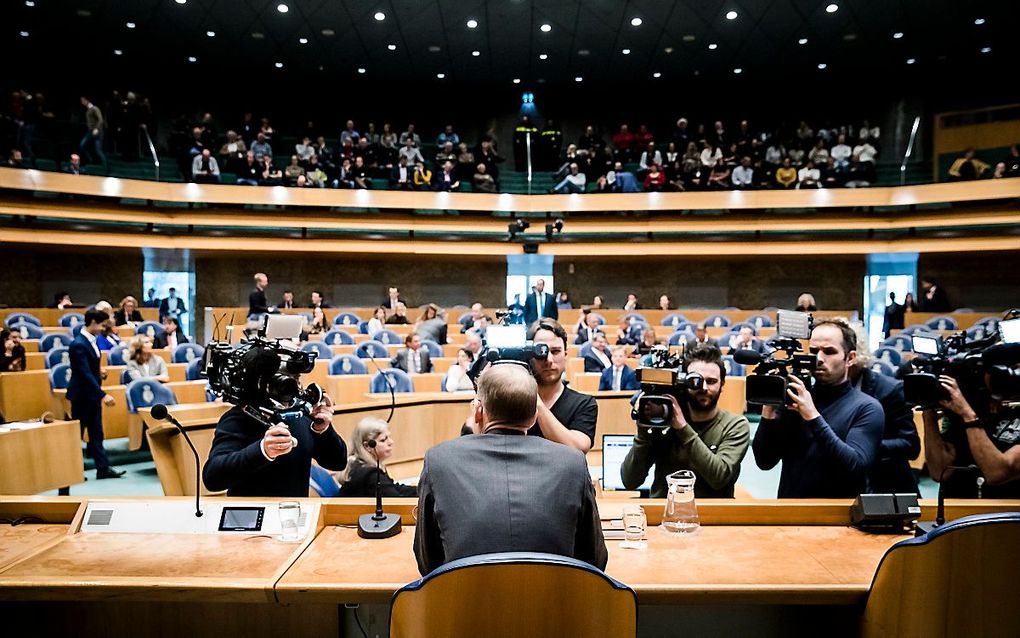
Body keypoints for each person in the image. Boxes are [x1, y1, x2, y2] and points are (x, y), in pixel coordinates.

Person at [414, 364, 607, 575]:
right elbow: (594, 561)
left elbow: (427, 563)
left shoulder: (439, 460)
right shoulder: (573, 462)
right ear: (534, 417)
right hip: (552, 605)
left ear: (479, 412)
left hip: (466, 604)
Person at [751, 320, 884, 497]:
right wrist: (769, 407)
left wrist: (812, 415)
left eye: (829, 352)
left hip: (841, 515)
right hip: (791, 512)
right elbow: (764, 461)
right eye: (813, 351)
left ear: (850, 358)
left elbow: (854, 466)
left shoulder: (867, 408)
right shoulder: (795, 401)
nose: (819, 359)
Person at [621, 345, 751, 497]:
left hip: (714, 515)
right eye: (695, 381)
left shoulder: (735, 425)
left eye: (711, 381)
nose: (703, 387)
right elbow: (630, 481)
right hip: (664, 513)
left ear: (722, 385)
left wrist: (682, 427)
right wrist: (643, 433)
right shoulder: (665, 424)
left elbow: (719, 477)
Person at [203, 382, 347, 497]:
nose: (296, 383)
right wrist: (262, 451)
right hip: (248, 521)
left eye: (297, 376)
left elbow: (338, 462)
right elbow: (212, 478)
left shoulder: (301, 414)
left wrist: (322, 429)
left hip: (294, 517)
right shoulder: (240, 416)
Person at [922, 371, 1020, 498]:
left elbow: (996, 473)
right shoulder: (965, 407)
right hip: (959, 509)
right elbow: (939, 472)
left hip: (1007, 512)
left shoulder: (965, 410)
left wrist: (968, 415)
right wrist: (928, 411)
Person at [849, 339, 920, 494]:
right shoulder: (817, 390)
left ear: (852, 358)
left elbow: (911, 446)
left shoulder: (890, 390)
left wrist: (863, 447)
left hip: (887, 487)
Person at [67, 310, 123, 479]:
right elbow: (83, 373)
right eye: (101, 325)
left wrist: (99, 372)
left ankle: (102, 468)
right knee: (77, 435)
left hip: (91, 395)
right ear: (92, 322)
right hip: (82, 396)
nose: (102, 329)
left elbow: (89, 368)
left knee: (96, 433)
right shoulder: (78, 343)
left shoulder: (91, 341)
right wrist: (102, 395)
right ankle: (72, 471)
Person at [527, 320, 598, 452]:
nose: (549, 360)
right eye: (541, 352)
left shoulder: (584, 403)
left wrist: (534, 400)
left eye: (555, 351)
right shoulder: (513, 402)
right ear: (528, 356)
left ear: (565, 354)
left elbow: (579, 448)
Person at [338, 419, 417, 498]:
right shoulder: (371, 475)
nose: (391, 442)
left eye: (389, 437)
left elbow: (394, 488)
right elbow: (395, 501)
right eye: (383, 440)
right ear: (367, 446)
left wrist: (423, 490)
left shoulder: (359, 464)